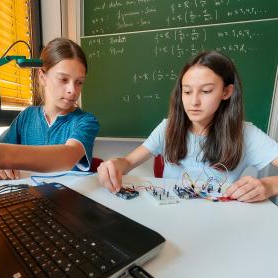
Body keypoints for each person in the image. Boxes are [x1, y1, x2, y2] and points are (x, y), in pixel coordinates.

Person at [97, 51, 278, 202]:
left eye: (206, 91)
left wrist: (269, 185)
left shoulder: (245, 133)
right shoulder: (168, 127)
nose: (194, 101)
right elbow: (127, 162)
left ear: (226, 92)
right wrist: (114, 165)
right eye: (187, 91)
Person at [0, 38, 99, 179]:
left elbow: (68, 156)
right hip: (31, 195)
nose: (72, 90)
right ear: (42, 76)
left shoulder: (86, 121)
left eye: (79, 82)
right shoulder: (27, 116)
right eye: (63, 79)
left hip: (69, 197)